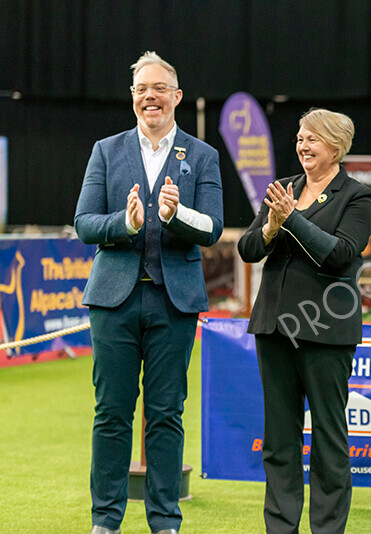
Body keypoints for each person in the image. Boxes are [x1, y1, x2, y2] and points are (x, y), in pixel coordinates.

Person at [74, 51, 223, 534]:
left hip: (174, 302)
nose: (149, 97)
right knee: (111, 413)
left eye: (159, 88)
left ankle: (165, 521)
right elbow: (84, 223)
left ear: (176, 97)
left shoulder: (203, 157)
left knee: (165, 415)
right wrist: (126, 222)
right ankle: (106, 521)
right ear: (133, 98)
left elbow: (213, 228)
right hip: (113, 301)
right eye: (141, 89)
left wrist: (172, 216)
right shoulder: (106, 150)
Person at [237, 108, 371, 534]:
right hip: (274, 330)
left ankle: (327, 528)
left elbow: (340, 254)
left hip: (325, 333)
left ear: (335, 146)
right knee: (279, 443)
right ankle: (281, 527)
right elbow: (247, 249)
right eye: (300, 138)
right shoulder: (283, 189)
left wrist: (291, 219)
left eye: (312, 138)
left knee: (329, 443)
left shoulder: (359, 196)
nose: (302, 145)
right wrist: (269, 227)